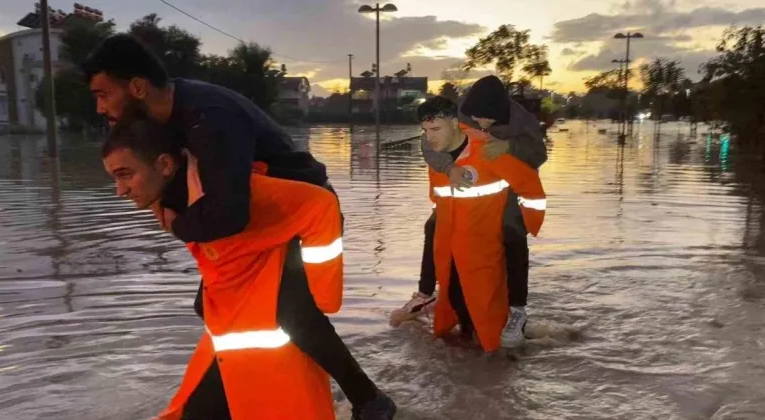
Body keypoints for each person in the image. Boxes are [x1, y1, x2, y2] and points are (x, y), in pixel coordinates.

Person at [84, 34, 395, 419]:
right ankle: (224, 399)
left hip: (296, 216)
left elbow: (230, 214)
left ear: (136, 87)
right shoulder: (164, 117)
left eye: (102, 94)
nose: (100, 107)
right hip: (255, 221)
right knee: (209, 304)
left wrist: (178, 224)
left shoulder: (209, 117)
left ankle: (370, 401)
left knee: (293, 313)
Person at [102, 114, 347, 419]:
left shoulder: (235, 190)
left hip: (290, 256)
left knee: (299, 318)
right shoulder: (167, 200)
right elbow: (215, 254)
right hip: (235, 331)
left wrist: (324, 292)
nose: (120, 191)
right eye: (115, 178)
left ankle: (368, 399)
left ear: (165, 165)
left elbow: (321, 205)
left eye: (125, 175)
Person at [390, 76, 547, 348]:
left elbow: (539, 154)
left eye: (488, 120)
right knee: (434, 228)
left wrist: (509, 146)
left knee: (513, 236)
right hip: (460, 192)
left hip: (506, 182)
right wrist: (449, 168)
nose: (482, 124)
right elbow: (429, 142)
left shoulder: (522, 121)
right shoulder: (455, 116)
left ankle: (517, 309)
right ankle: (426, 294)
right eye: (476, 118)